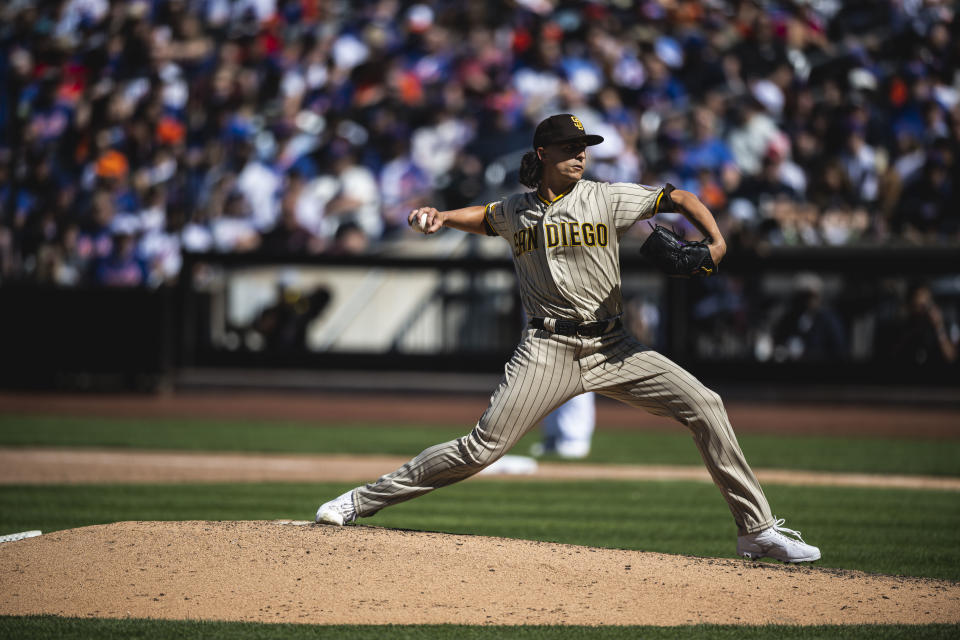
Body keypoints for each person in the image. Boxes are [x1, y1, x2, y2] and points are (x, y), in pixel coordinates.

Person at [315, 114, 820, 563]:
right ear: (543, 155)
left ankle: (756, 532)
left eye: (586, 147)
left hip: (615, 347)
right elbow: (487, 216)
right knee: (480, 450)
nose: (582, 154)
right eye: (570, 148)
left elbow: (678, 197)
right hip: (547, 349)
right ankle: (359, 500)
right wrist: (443, 217)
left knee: (706, 405)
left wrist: (717, 242)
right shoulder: (518, 210)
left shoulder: (605, 196)